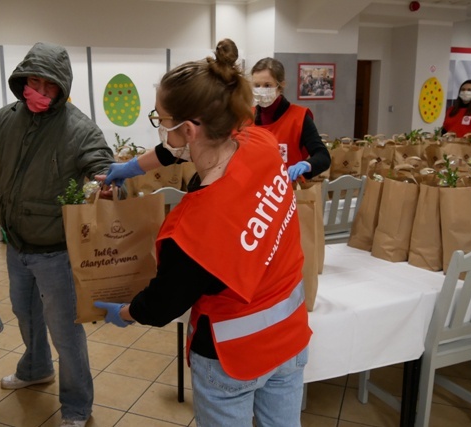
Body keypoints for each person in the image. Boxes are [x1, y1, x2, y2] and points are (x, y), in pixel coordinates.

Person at [94, 39, 311, 427]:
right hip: (289, 338)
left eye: (161, 120)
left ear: (189, 129)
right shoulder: (258, 142)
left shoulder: (191, 229)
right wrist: (131, 167)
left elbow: (163, 305)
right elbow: (176, 149)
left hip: (231, 357)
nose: (161, 128)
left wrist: (126, 313)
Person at [0, 42, 116, 427]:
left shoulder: (79, 128)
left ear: (62, 88)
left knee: (66, 332)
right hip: (15, 245)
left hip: (56, 252)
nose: (40, 93)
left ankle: (78, 406)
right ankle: (35, 369)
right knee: (26, 316)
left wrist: (107, 180)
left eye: (49, 87)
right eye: (34, 82)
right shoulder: (2, 121)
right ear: (22, 80)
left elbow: (102, 163)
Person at [105, 57, 330, 186]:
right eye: (257, 85)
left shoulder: (297, 117)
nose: (262, 91)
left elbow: (322, 156)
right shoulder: (245, 118)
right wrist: (131, 167)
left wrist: (306, 166)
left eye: (268, 85)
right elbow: (175, 150)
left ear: (281, 85)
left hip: (277, 195)